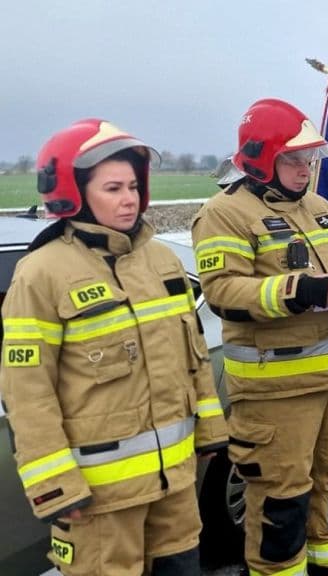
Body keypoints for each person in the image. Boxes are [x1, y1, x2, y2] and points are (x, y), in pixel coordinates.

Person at [1, 119, 228, 574]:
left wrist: (210, 432)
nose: (129, 199)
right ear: (73, 193)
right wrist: (54, 487)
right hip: (99, 502)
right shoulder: (41, 273)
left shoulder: (162, 261)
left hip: (175, 490)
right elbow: (27, 393)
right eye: (112, 188)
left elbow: (194, 357)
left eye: (133, 186)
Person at [192, 99, 328, 576]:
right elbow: (223, 291)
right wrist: (302, 290)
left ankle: (327, 566)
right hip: (275, 392)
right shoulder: (224, 213)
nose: (304, 169)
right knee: (281, 504)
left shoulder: (320, 207)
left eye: (309, 159)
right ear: (259, 159)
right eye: (293, 159)